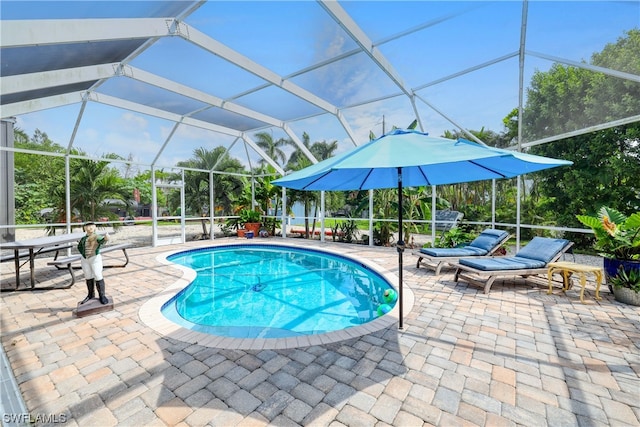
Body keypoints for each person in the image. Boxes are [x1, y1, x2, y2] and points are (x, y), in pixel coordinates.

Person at [78, 222, 109, 304]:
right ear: (84, 228)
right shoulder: (83, 239)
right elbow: (79, 246)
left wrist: (106, 238)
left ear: (95, 227)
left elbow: (101, 241)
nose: (90, 228)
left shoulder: (96, 237)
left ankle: (102, 295)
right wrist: (83, 254)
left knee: (97, 274)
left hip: (95, 258)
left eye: (92, 226)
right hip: (85, 259)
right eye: (87, 226)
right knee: (88, 275)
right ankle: (90, 294)